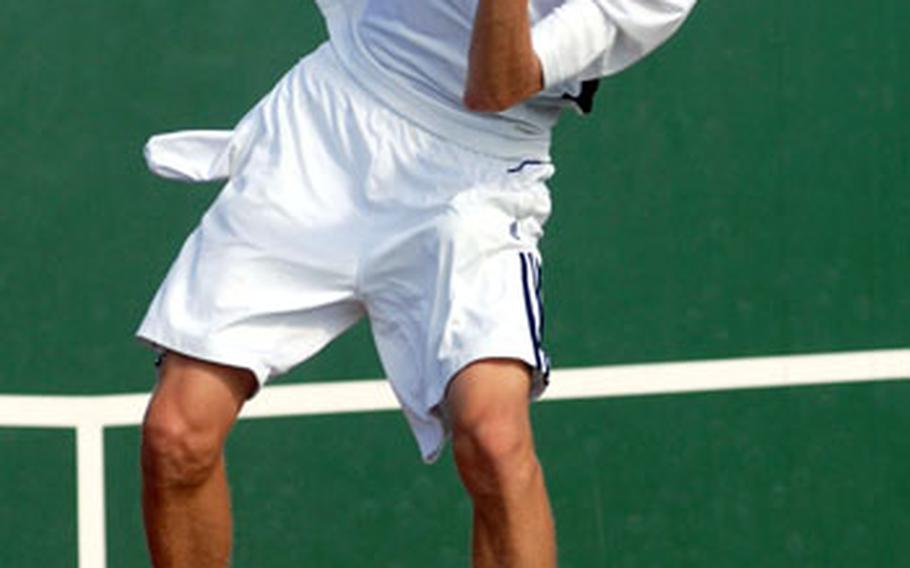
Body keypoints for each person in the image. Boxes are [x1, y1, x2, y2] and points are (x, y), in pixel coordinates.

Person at [136, 0, 696, 565]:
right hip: (330, 121)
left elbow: (495, 85)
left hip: (475, 177)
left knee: (495, 443)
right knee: (176, 434)